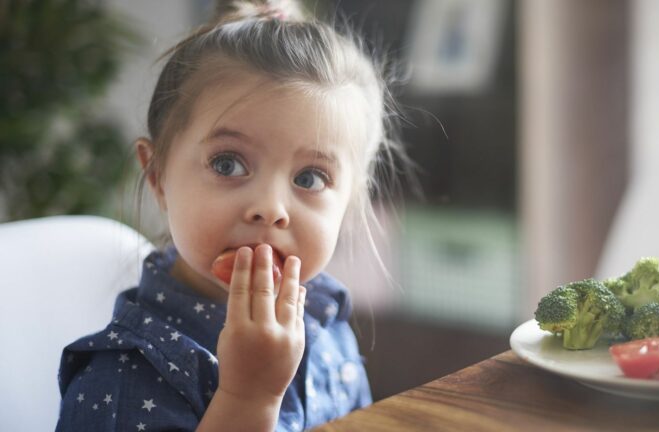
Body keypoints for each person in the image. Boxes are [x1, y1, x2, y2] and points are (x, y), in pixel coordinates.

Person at [56, 0, 409, 430]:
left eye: (310, 178)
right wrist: (249, 397)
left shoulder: (325, 317)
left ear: (350, 201)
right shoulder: (121, 380)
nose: (271, 208)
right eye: (227, 164)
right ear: (158, 176)